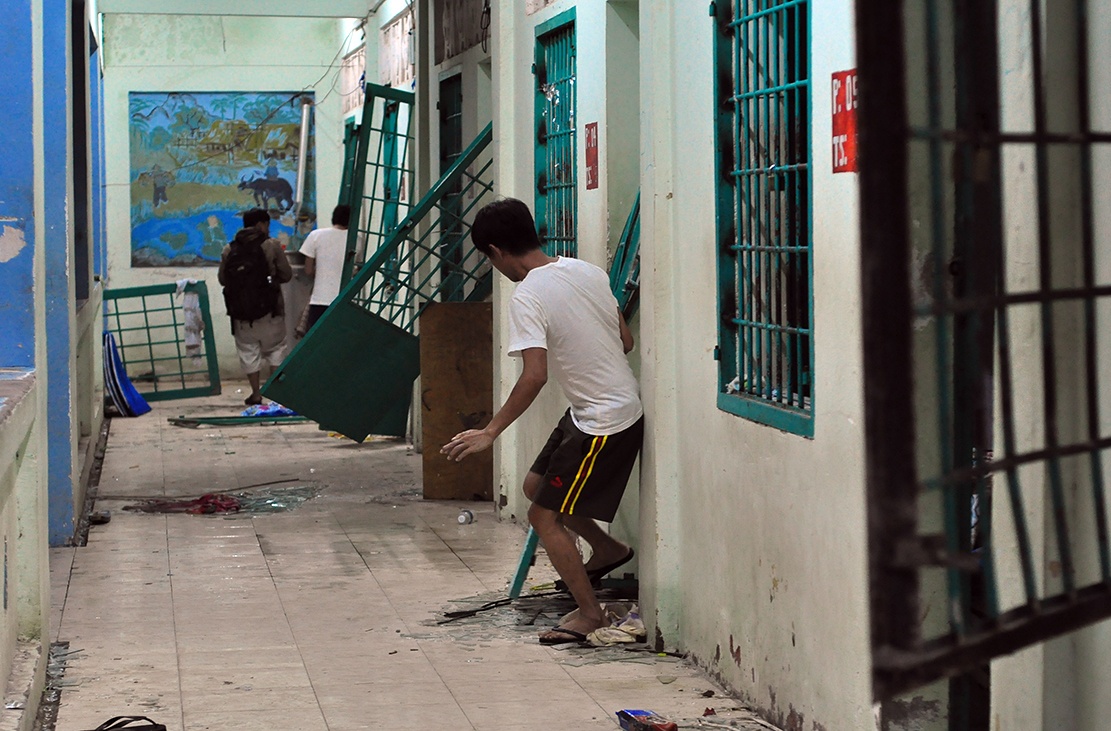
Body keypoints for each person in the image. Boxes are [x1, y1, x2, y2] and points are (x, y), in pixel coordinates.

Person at [441, 197, 643, 645]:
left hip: (604, 422)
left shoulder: (528, 294)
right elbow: (624, 340)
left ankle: (590, 614)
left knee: (541, 516)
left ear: (495, 251)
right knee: (537, 486)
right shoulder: (586, 271)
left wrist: (490, 431)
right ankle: (609, 549)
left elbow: (535, 375)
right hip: (591, 411)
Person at [218, 208, 293, 406]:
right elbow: (287, 275)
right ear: (261, 224)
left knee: (248, 351)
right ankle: (277, 395)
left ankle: (256, 394)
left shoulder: (229, 248)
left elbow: (222, 279)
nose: (268, 229)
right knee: (276, 349)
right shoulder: (272, 245)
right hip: (271, 310)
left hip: (241, 314)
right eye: (267, 225)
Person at [299, 204, 351, 332]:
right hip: (346, 300)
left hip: (320, 299)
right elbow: (358, 268)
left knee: (318, 341)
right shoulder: (356, 239)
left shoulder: (315, 236)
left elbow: (308, 270)